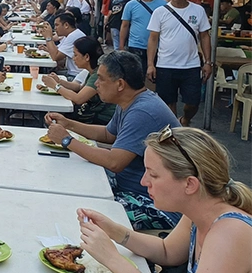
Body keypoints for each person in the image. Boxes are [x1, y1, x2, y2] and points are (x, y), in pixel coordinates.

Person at [74, 127, 252, 273]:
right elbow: (167, 251)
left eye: (153, 175)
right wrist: (115, 231)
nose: (144, 182)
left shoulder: (230, 233)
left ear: (190, 184)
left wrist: (112, 258)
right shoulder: (201, 209)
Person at [45, 50, 182, 230]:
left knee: (77, 213)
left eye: (101, 79)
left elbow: (114, 162)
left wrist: (67, 141)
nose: (97, 84)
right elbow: (108, 135)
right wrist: (69, 123)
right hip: (133, 187)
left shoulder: (142, 112)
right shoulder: (132, 101)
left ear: (120, 84)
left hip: (156, 204)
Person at [147, 0, 212, 127]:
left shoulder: (198, 10)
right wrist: (151, 64)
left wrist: (208, 62)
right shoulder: (160, 12)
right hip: (165, 65)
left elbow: (204, 36)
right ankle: (175, 130)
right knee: (168, 103)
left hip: (191, 66)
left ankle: (185, 120)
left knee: (193, 103)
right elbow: (153, 39)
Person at [41, 37, 116, 125]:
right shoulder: (93, 71)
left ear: (87, 57)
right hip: (94, 114)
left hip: (101, 120)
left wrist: (55, 86)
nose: (73, 58)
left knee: (52, 118)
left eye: (75, 55)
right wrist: (59, 81)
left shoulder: (98, 75)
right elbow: (80, 88)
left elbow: (78, 99)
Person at [120, 0, 168, 75]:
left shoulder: (164, 5)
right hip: (136, 46)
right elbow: (125, 25)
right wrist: (121, 46)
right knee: (135, 76)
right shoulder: (131, 5)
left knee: (154, 76)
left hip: (159, 47)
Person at [39, 12, 87, 77]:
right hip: (72, 72)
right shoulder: (70, 35)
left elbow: (56, 57)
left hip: (75, 76)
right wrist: (46, 49)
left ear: (66, 25)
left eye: (57, 25)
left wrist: (48, 37)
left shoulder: (73, 36)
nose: (55, 28)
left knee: (45, 77)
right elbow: (58, 51)